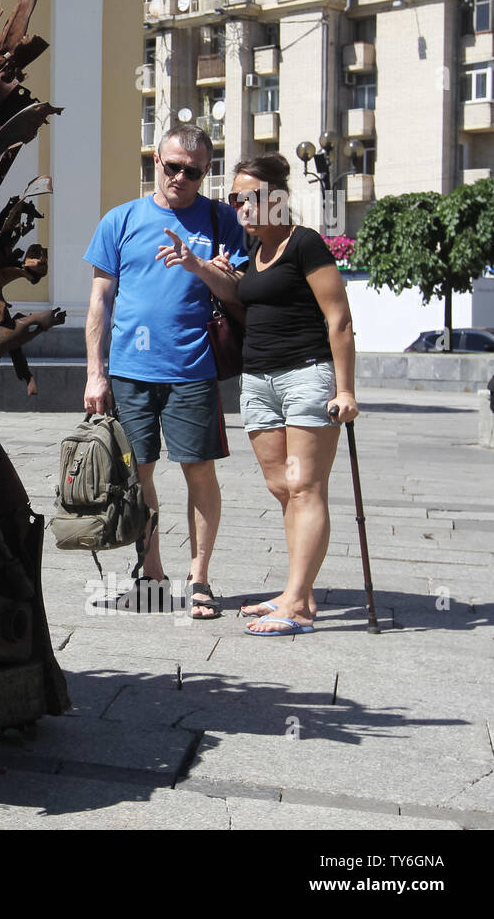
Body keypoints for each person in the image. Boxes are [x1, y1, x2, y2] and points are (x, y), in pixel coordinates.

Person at [157, 152, 358, 635]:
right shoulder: (255, 251)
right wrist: (201, 265)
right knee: (281, 487)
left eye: (251, 197)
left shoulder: (304, 243)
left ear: (278, 198)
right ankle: (298, 592)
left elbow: (340, 319)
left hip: (307, 375)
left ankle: (297, 604)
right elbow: (239, 297)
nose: (241, 207)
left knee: (306, 485)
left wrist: (346, 388)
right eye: (234, 199)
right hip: (258, 380)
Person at [83, 124, 247, 618]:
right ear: (156, 161)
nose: (180, 177)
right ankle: (151, 572)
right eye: (172, 166)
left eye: (193, 171)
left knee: (199, 470)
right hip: (131, 372)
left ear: (205, 173)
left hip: (193, 369)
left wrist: (197, 264)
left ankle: (199, 579)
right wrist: (96, 372)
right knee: (139, 474)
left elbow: (237, 293)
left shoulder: (220, 220)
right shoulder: (120, 219)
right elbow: (100, 300)